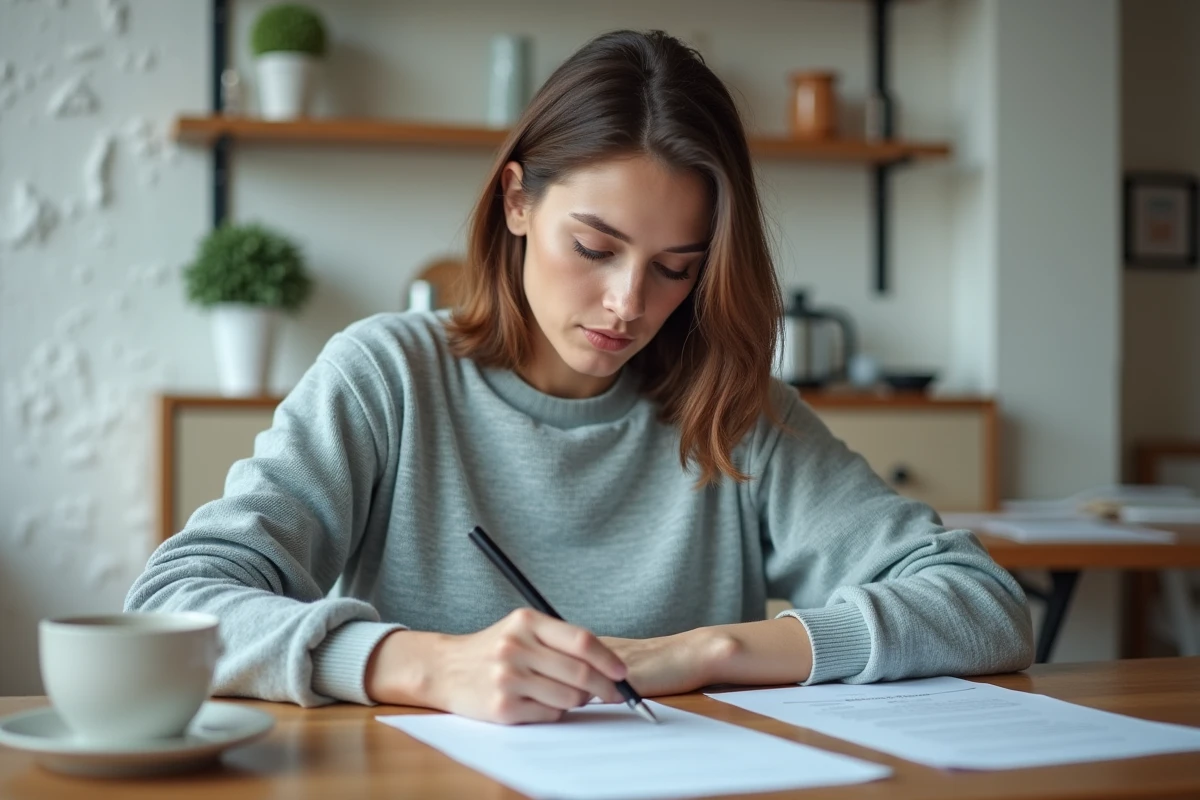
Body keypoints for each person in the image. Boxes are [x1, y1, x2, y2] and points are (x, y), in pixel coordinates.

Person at [126, 30, 1032, 725]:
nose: (628, 304)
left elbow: (984, 606)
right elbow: (176, 602)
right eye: (595, 248)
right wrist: (420, 664)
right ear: (517, 201)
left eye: (677, 267)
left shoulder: (731, 410)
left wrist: (709, 652)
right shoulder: (388, 376)